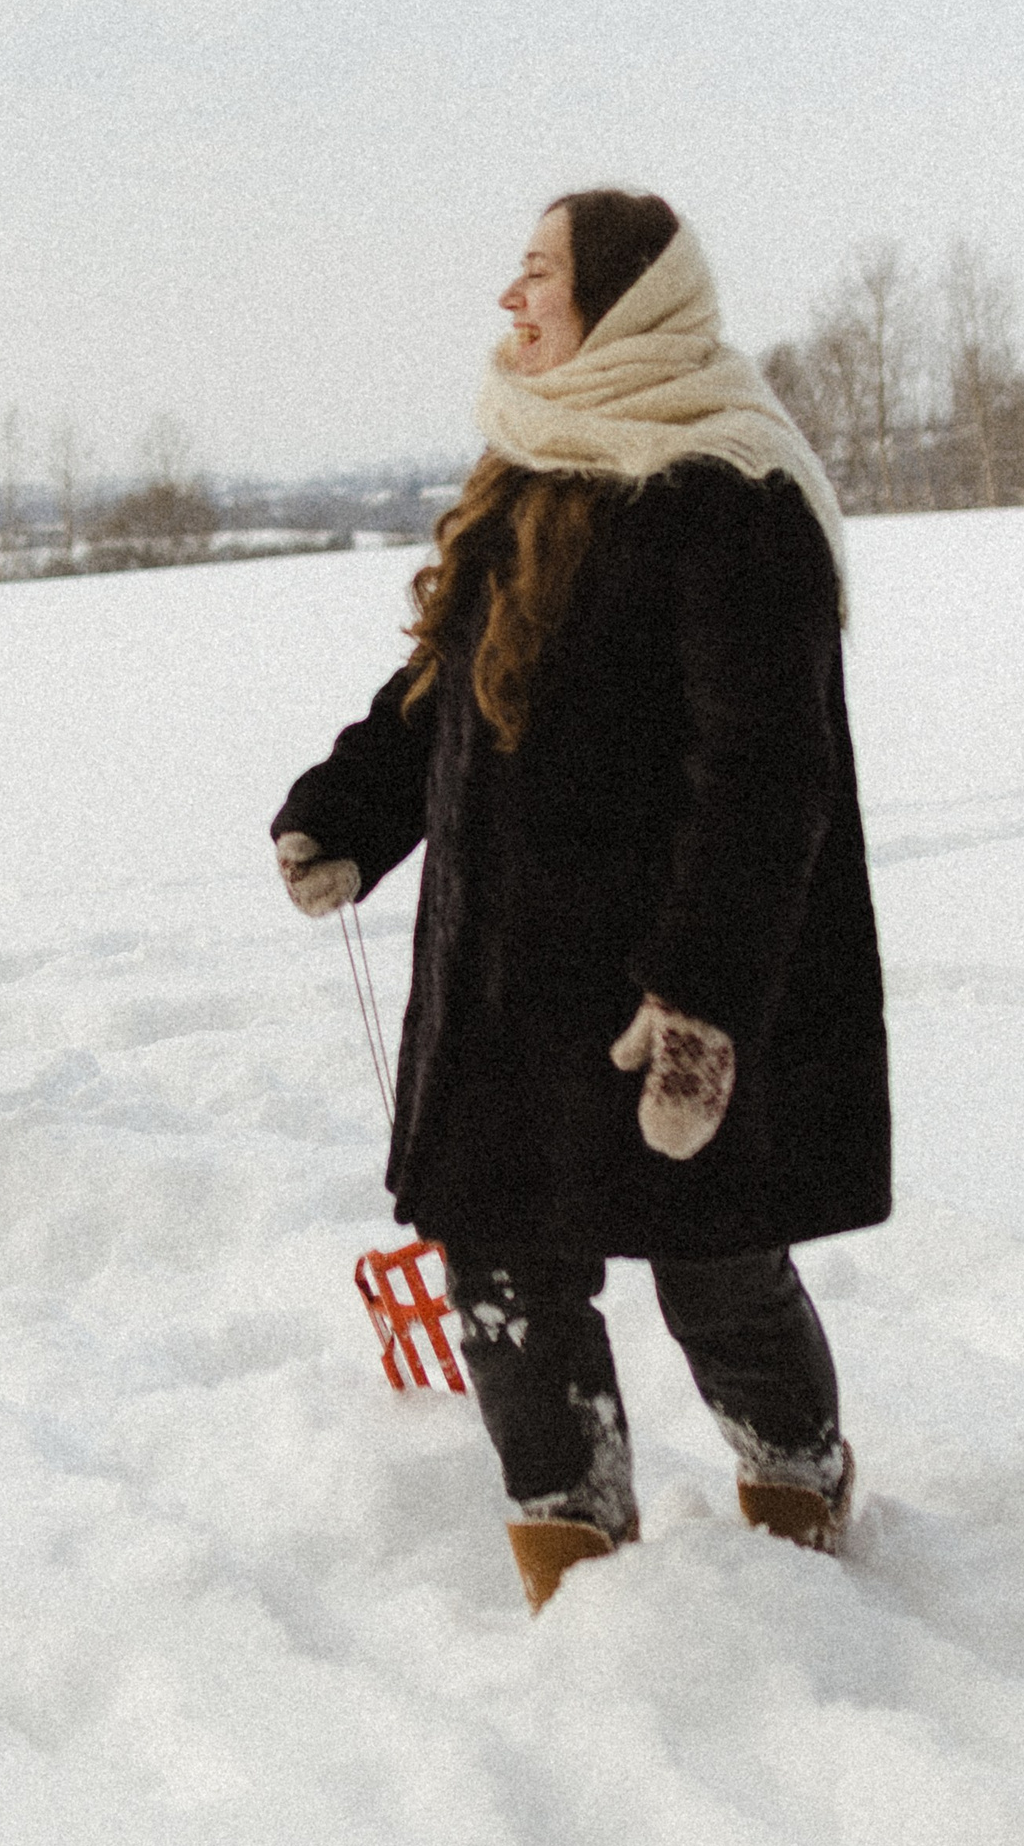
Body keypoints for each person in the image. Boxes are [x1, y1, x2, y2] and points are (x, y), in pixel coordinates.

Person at [271, 190, 888, 1612]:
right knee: (501, 1262)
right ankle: (575, 1560)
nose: (511, 298)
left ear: (628, 303)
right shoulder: (531, 461)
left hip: (671, 980)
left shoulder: (729, 492)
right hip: (510, 977)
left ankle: (798, 1487)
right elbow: (447, 686)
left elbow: (768, 771)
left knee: (715, 1269)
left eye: (540, 272)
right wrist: (352, 814)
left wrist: (703, 1001)